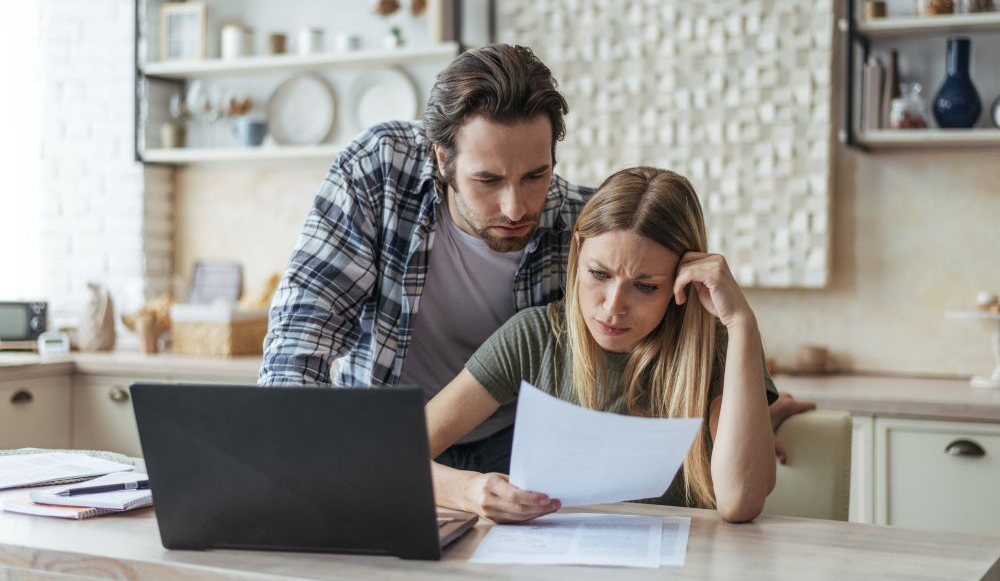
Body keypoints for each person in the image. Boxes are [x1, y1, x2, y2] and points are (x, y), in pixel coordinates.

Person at [258, 43, 809, 474]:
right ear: (441, 157)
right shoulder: (379, 170)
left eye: (535, 175)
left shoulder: (582, 225)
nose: (516, 205)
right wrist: (280, 455)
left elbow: (667, 330)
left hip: (516, 447)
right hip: (388, 434)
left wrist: (742, 418)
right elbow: (305, 327)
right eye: (487, 179)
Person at [427, 167, 779, 524]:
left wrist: (741, 323)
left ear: (682, 282)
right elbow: (394, 454)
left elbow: (740, 502)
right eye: (599, 274)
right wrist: (468, 490)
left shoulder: (717, 347)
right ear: (578, 251)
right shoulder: (534, 337)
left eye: (645, 286)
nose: (612, 308)